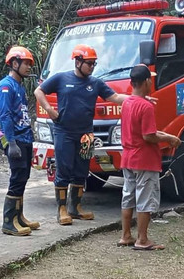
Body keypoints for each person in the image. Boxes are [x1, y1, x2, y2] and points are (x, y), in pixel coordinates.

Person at [34, 44, 128, 225]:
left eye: (94, 63)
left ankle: (75, 208)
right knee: (64, 170)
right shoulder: (61, 78)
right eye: (89, 63)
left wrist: (136, 98)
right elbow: (39, 91)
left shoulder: (96, 83)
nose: (92, 67)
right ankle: (62, 209)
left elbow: (115, 98)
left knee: (81, 171)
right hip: (64, 133)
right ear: (77, 62)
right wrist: (49, 109)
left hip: (86, 135)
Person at [118, 64, 180, 250]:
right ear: (146, 81)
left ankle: (126, 235)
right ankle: (142, 239)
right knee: (145, 198)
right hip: (144, 159)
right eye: (150, 79)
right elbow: (148, 136)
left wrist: (164, 135)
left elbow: (143, 131)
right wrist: (169, 138)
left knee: (128, 196)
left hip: (128, 157)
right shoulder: (146, 107)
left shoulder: (127, 102)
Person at [0, 46, 39, 236]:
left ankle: (19, 216)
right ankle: (8, 221)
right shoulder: (5, 86)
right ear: (14, 63)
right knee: (16, 178)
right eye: (26, 63)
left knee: (23, 177)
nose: (29, 67)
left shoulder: (19, 85)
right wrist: (11, 143)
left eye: (30, 64)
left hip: (25, 137)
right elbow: (5, 116)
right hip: (15, 139)